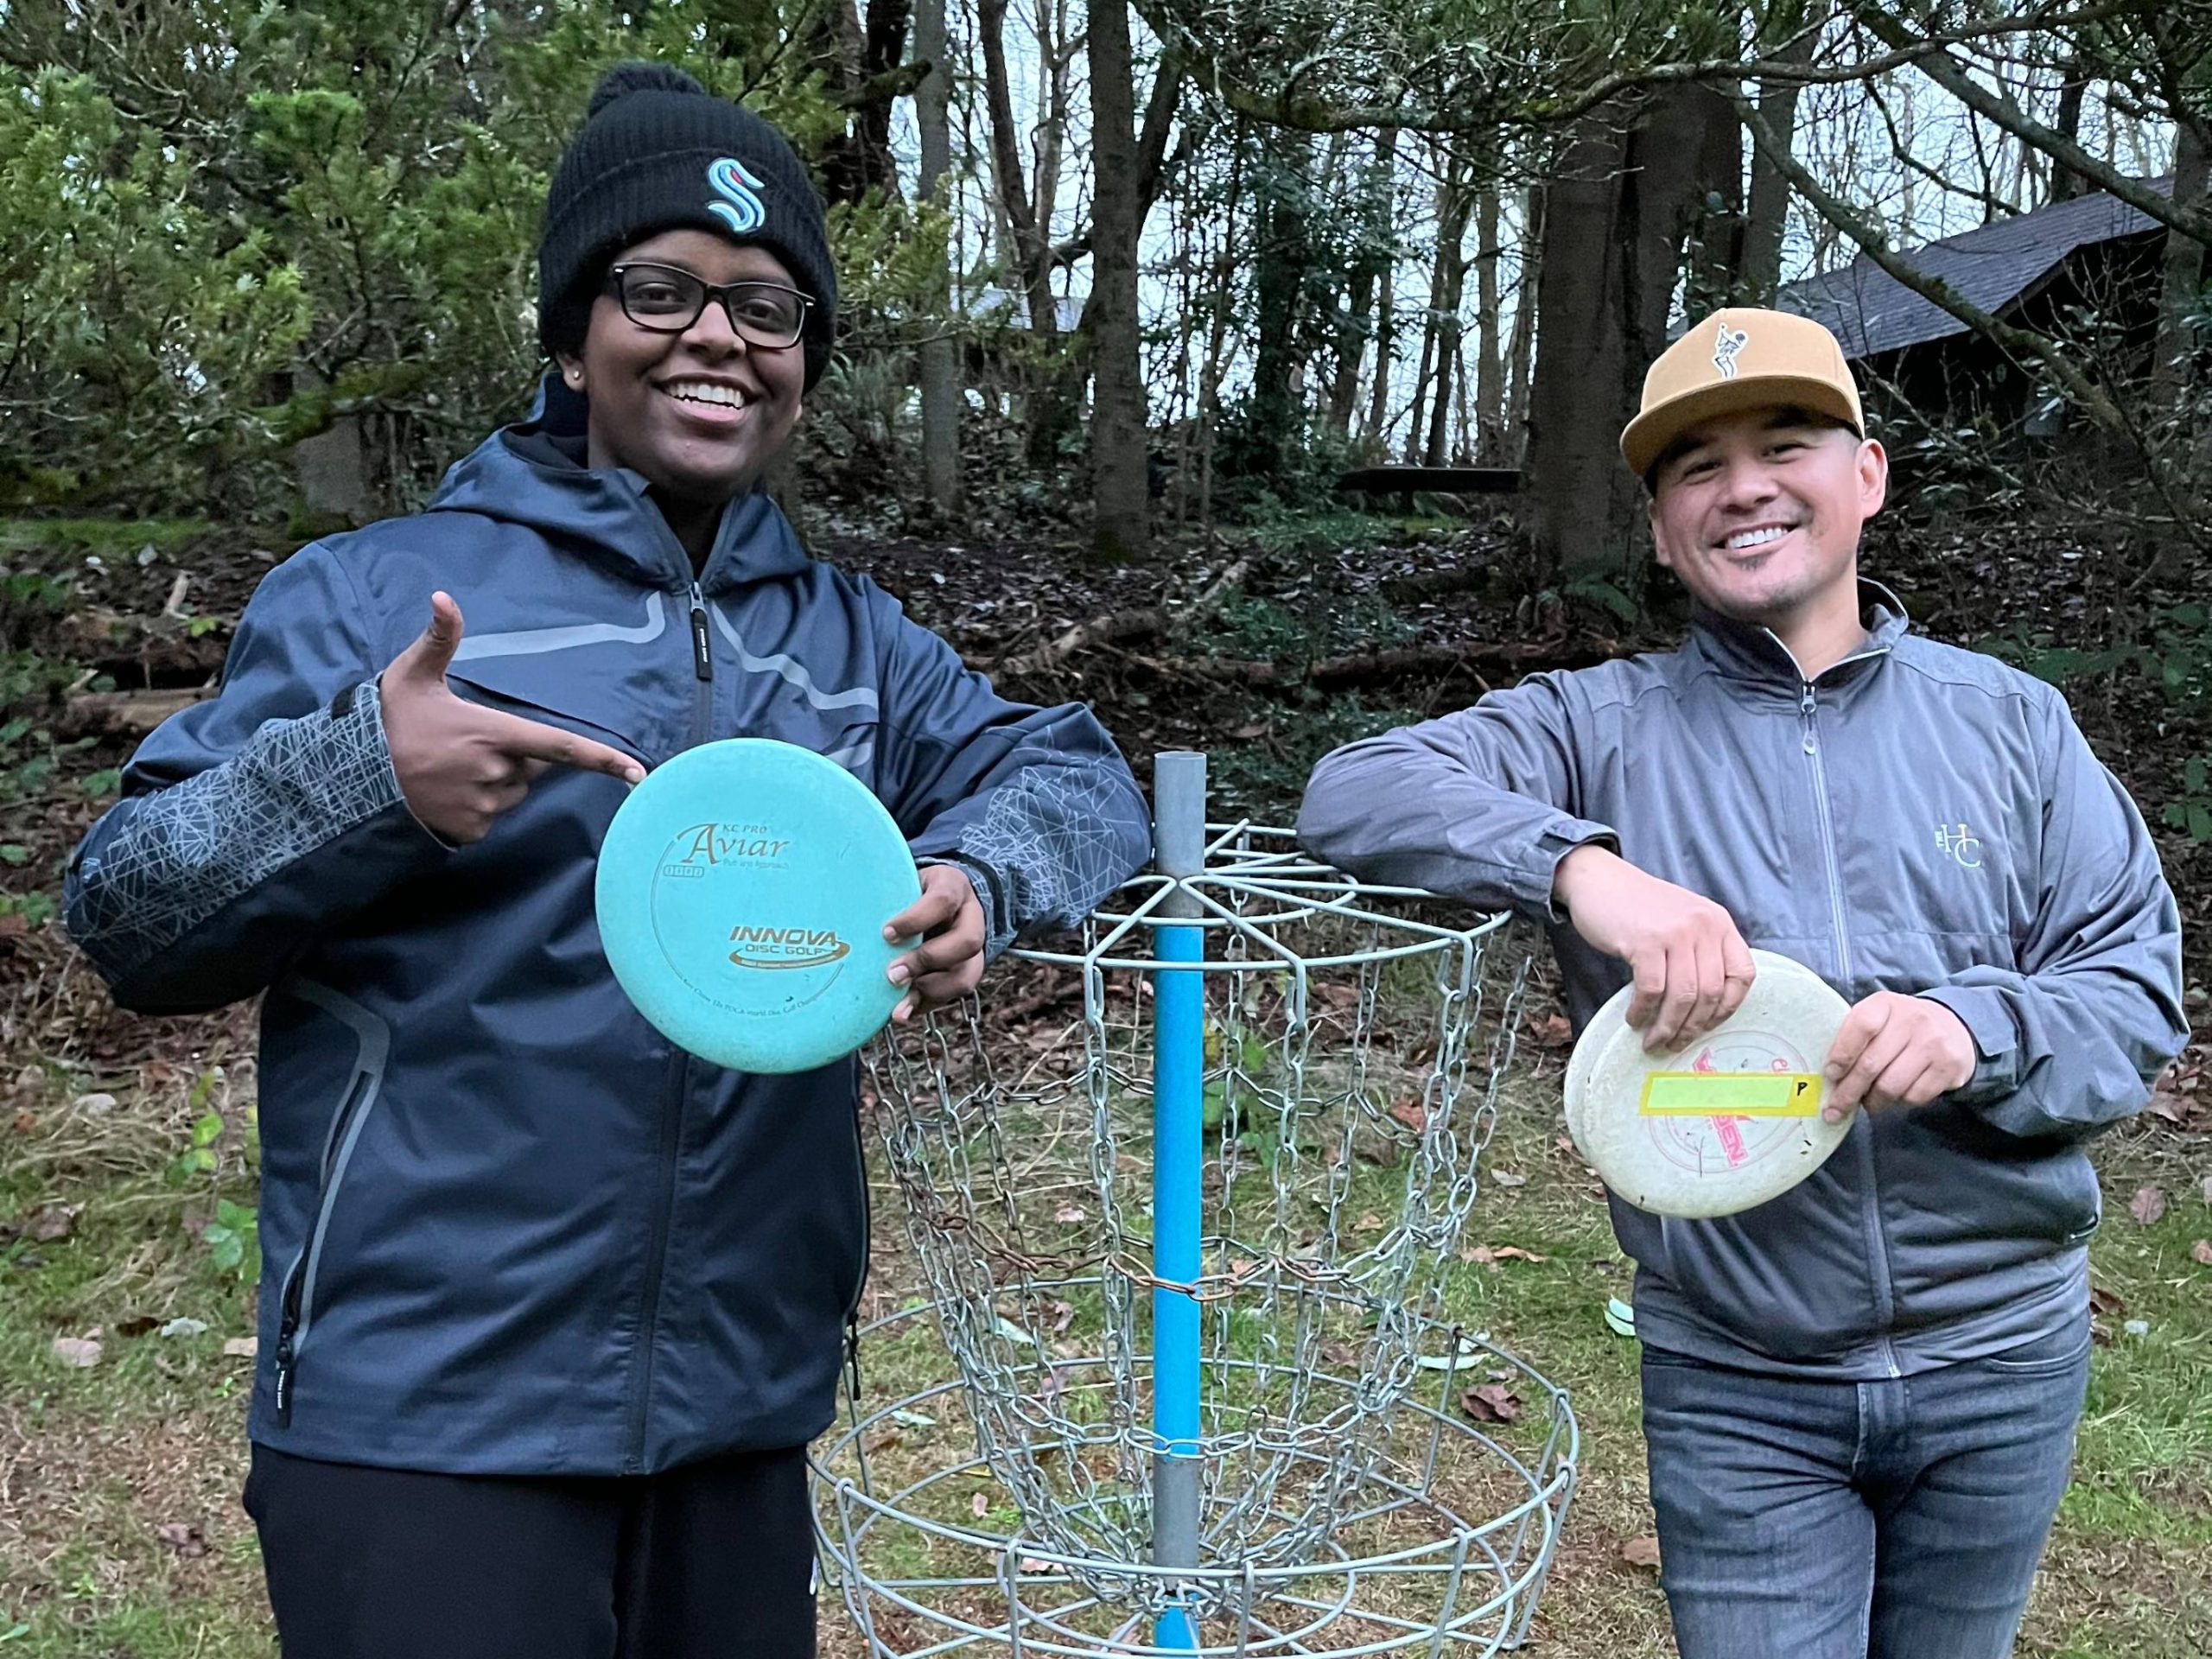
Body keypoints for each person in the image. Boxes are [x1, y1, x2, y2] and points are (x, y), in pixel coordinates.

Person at [62, 61, 1150, 1659]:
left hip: (738, 1408)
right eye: (662, 290)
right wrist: (373, 773)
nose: (719, 336)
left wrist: (986, 871)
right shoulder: (382, 598)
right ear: (574, 335)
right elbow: (129, 911)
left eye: (770, 308)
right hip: (425, 1420)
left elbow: (1073, 774)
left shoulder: (851, 645)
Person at [1298, 308, 2184, 1659]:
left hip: (2003, 1354)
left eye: (1786, 443)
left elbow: (2132, 989)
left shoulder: (2012, 723)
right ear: (1662, 529)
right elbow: (1352, 791)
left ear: (1868, 477)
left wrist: (1975, 1024)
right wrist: (1583, 867)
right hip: (1738, 1371)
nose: (1746, 486)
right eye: (1696, 467)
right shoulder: (1597, 728)